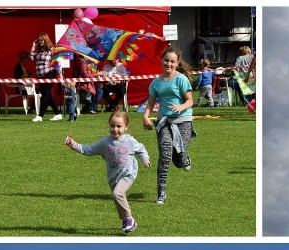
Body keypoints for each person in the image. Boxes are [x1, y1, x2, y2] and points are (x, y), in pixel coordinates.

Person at [64, 110, 150, 233]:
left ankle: (129, 219)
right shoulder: (105, 142)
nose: (115, 129)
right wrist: (73, 144)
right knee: (118, 198)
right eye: (112, 126)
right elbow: (88, 150)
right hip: (113, 176)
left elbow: (141, 149)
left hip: (128, 173)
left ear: (126, 127)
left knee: (117, 194)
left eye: (119, 126)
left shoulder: (130, 141)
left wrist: (145, 159)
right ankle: (125, 220)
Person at [142, 47, 196, 205]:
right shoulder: (156, 83)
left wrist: (180, 107)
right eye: (166, 60)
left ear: (177, 63)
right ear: (162, 60)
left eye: (172, 61)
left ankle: (184, 158)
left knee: (178, 159)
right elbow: (150, 103)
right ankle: (161, 193)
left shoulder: (181, 79)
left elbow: (190, 101)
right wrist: (145, 115)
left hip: (183, 121)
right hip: (164, 122)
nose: (169, 64)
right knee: (165, 157)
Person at [30, 33, 62, 122]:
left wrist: (60, 75)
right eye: (39, 40)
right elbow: (31, 57)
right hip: (40, 75)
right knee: (47, 95)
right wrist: (33, 46)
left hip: (49, 73)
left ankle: (40, 116)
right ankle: (58, 113)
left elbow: (57, 63)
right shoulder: (40, 51)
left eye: (41, 40)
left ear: (46, 40)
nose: (40, 42)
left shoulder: (52, 50)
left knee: (45, 95)